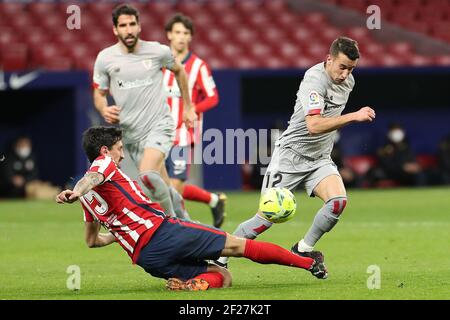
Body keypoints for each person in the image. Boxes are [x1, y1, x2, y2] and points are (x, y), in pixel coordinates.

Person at [55, 126, 326, 291]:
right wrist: (74, 191)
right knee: (238, 246)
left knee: (223, 276)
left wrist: (121, 231)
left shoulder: (88, 200)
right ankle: (309, 263)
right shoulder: (102, 166)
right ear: (104, 151)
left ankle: (191, 285)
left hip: (146, 259)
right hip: (162, 233)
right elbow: (91, 178)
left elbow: (92, 241)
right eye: (118, 149)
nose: (122, 155)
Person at [216, 37, 376, 278]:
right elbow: (313, 125)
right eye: (342, 67)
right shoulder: (314, 81)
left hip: (319, 158)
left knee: (338, 202)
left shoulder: (348, 81)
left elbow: (328, 120)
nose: (345, 74)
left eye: (351, 68)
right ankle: (220, 258)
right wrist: (354, 116)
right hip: (290, 157)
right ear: (329, 59)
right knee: (266, 218)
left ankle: (303, 249)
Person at [92, 4, 197, 219]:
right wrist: (103, 108)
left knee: (148, 175)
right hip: (131, 134)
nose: (128, 30)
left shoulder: (158, 51)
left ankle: (173, 227)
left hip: (160, 125)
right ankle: (188, 224)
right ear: (115, 30)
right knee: (161, 185)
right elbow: (99, 93)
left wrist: (188, 106)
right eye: (123, 25)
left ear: (139, 26)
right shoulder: (105, 59)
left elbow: (180, 71)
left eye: (132, 24)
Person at [163, 13, 226, 228]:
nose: (181, 37)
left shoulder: (198, 66)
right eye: (177, 32)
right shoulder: (159, 63)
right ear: (169, 35)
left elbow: (213, 97)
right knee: (163, 187)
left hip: (183, 134)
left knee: (173, 187)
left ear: (190, 37)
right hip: (158, 133)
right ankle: (213, 200)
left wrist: (193, 109)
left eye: (186, 33)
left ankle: (185, 230)